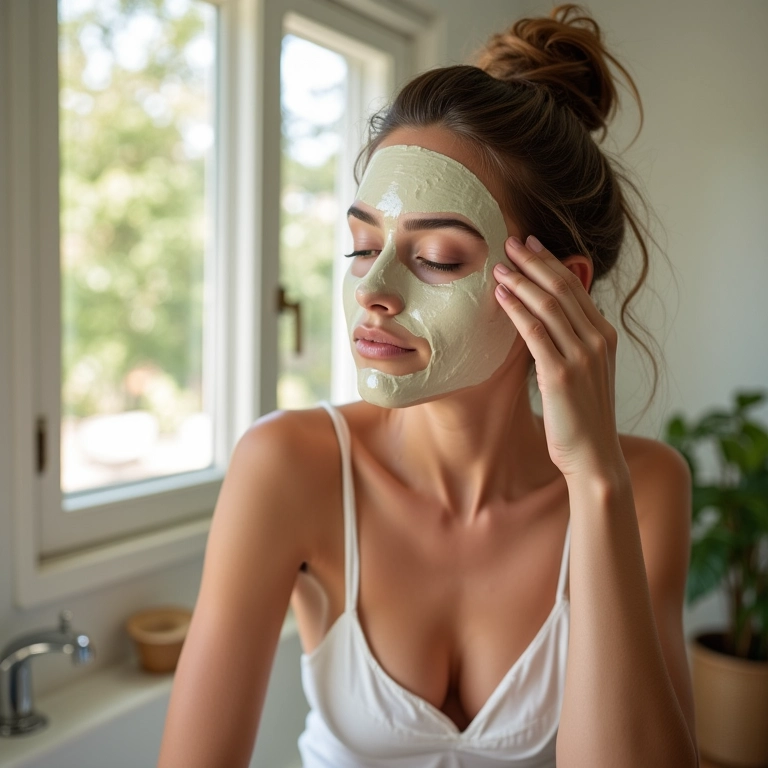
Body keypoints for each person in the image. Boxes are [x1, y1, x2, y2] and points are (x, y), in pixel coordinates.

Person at [157, 5, 699, 767]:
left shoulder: (641, 489)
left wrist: (595, 482)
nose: (373, 290)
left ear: (564, 289)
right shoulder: (288, 466)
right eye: (362, 245)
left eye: (439, 258)